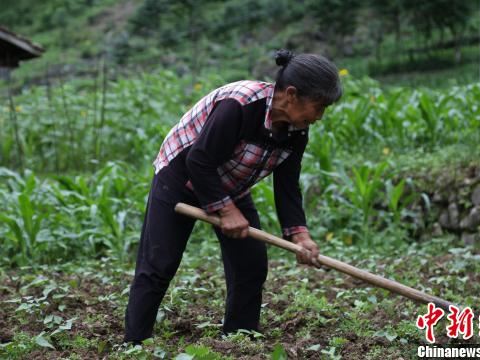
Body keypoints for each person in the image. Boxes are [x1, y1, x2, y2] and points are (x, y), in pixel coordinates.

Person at [124, 49, 342, 343]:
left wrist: (299, 235)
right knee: (159, 263)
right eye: (319, 107)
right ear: (291, 94)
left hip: (229, 184)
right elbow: (199, 161)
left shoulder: (296, 131)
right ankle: (134, 343)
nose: (320, 116)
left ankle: (240, 339)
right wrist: (225, 211)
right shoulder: (240, 105)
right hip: (180, 177)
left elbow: (287, 186)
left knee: (251, 265)